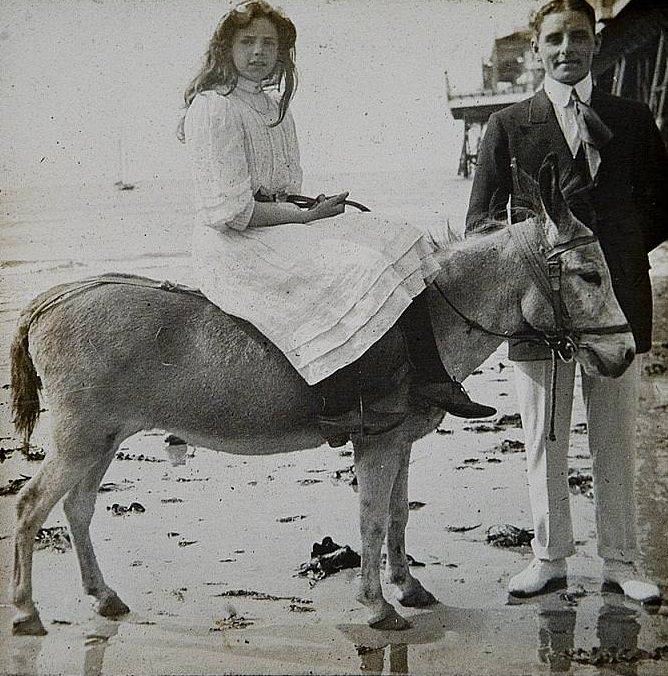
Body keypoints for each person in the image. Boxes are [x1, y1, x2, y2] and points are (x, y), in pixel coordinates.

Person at [179, 0, 495, 447]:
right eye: (246, 42)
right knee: (359, 267)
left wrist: (312, 207)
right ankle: (338, 402)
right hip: (234, 244)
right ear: (225, 47)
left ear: (282, 51)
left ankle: (431, 376)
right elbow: (232, 211)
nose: (258, 52)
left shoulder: (274, 107)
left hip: (277, 226)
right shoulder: (213, 108)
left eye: (268, 43)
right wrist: (307, 216)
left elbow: (281, 188)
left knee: (401, 239)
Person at [466, 0, 667, 603]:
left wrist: (608, 259)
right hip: (539, 313)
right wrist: (543, 267)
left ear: (595, 45)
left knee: (616, 441)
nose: (566, 48)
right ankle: (549, 557)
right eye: (554, 39)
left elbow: (662, 205)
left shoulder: (631, 119)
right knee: (543, 441)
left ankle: (623, 561)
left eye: (578, 37)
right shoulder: (507, 126)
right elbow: (480, 224)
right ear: (537, 50)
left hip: (614, 307)